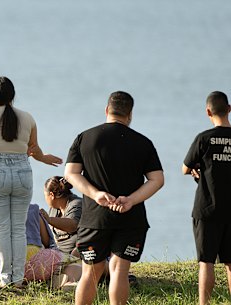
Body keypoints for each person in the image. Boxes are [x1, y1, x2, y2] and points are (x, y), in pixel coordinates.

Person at [64, 91, 164, 305]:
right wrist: (131, 200)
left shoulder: (85, 137)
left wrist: (95, 194)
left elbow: (71, 173)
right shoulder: (143, 143)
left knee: (91, 271)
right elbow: (157, 180)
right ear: (130, 114)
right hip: (130, 218)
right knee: (119, 269)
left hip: (94, 219)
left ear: (107, 110)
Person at [0, 76, 62, 287]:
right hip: (22, 171)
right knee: (17, 227)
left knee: (1, 227)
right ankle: (17, 278)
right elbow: (34, 149)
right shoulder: (28, 118)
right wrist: (45, 158)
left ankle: (5, 277)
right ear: (13, 95)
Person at [182, 91, 231, 305]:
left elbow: (185, 168)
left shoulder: (204, 138)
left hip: (207, 208)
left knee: (206, 261)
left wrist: (197, 170)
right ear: (229, 109)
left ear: (208, 112)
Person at [0, 203, 81, 289]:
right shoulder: (32, 209)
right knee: (74, 261)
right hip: (30, 259)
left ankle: (27, 281)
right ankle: (68, 282)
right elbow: (46, 241)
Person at [39, 176, 82, 256]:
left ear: (51, 195)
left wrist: (49, 220)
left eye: (45, 195)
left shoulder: (76, 204)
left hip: (76, 253)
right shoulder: (53, 209)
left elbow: (73, 225)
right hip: (57, 252)